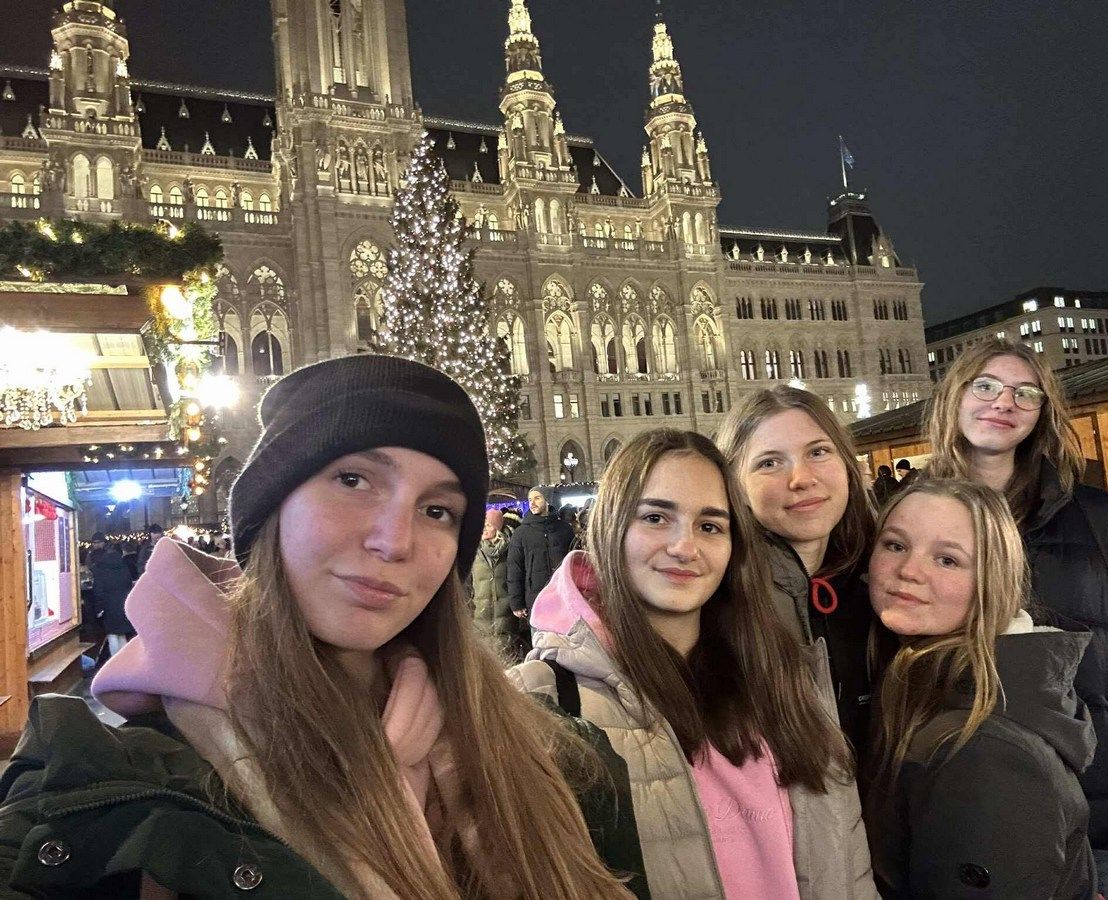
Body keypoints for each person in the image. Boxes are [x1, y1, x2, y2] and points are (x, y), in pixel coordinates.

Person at [0, 357, 640, 899]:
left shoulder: (557, 761)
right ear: (272, 507)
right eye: (353, 480)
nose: (395, 540)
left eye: (437, 510)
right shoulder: (106, 801)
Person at [510, 429, 874, 899]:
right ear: (612, 528)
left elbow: (848, 870)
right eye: (656, 518)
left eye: (710, 526)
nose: (685, 547)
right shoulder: (535, 706)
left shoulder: (786, 678)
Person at [924, 336, 1108, 898]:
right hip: (970, 818)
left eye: (1025, 393)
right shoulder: (906, 524)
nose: (1004, 401)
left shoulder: (1103, 520)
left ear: (1042, 412)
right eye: (986, 386)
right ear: (954, 396)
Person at [866, 478, 1096, 898]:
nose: (909, 570)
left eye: (947, 560)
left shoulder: (984, 748)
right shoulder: (925, 687)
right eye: (895, 545)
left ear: (993, 580)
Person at [717, 386, 877, 758]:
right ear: (736, 486)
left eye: (818, 452)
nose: (801, 478)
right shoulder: (720, 602)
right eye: (769, 463)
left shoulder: (886, 581)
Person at [507, 486, 575, 621]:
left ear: (547, 500)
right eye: (530, 499)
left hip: (563, 596)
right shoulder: (521, 533)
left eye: (537, 498)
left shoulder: (564, 529)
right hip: (535, 599)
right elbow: (514, 568)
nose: (532, 503)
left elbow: (573, 562)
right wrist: (516, 603)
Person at [469, 508, 523, 662]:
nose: (484, 529)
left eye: (488, 525)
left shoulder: (511, 549)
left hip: (507, 617)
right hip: (480, 616)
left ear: (498, 527)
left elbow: (517, 578)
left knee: (508, 662)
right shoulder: (473, 550)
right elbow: (467, 582)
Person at [86, 531, 135, 656]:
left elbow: (98, 590)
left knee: (112, 634)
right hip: (123, 602)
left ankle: (116, 661)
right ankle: (125, 659)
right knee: (122, 633)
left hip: (109, 604)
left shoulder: (100, 569)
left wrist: (99, 608)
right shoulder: (122, 565)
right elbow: (129, 583)